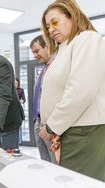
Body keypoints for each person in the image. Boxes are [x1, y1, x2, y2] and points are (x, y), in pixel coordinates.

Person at [39, 0, 105, 181]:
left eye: (54, 22)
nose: (51, 29)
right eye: (47, 26)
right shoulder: (64, 48)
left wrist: (52, 126)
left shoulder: (87, 39)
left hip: (83, 132)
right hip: (69, 131)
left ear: (72, 15)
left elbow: (81, 91)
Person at [30, 35, 56, 163]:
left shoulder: (57, 66)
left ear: (48, 46)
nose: (35, 55)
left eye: (37, 51)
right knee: (45, 160)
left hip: (50, 121)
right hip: (39, 120)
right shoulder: (44, 69)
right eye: (33, 52)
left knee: (54, 160)